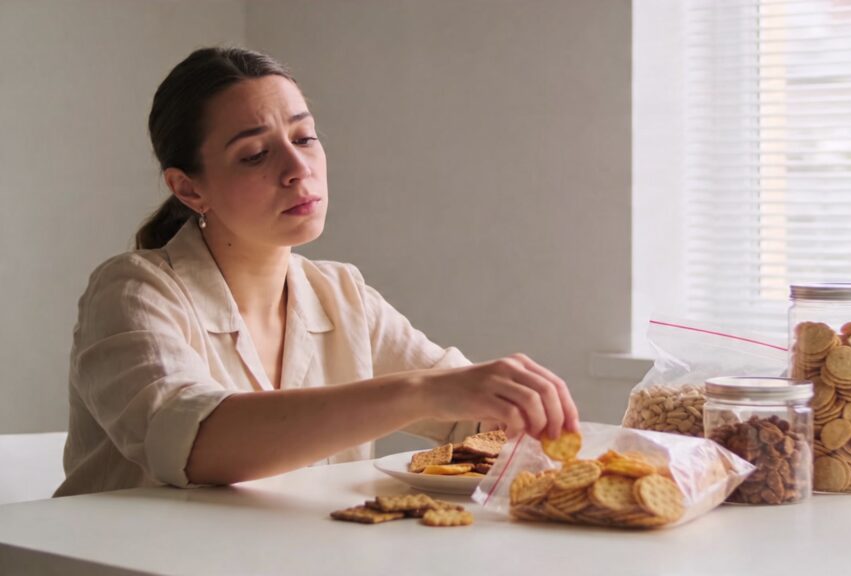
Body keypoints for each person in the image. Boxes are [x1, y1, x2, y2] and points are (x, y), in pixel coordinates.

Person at [55, 47, 578, 497]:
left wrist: (521, 410)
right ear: (190, 188)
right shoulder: (133, 291)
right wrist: (421, 391)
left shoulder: (340, 293)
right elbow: (193, 444)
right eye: (256, 153)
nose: (298, 168)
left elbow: (474, 416)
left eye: (304, 138)